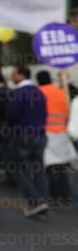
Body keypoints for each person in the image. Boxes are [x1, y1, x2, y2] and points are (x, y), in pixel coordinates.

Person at [7, 66, 48, 217]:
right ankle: (41, 203)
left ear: (20, 75)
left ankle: (36, 201)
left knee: (17, 168)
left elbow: (11, 114)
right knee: (38, 169)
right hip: (41, 134)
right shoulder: (39, 92)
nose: (11, 77)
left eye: (13, 74)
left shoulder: (18, 93)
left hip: (23, 134)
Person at [36, 70, 78, 205]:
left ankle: (56, 196)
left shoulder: (37, 93)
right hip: (63, 133)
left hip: (47, 133)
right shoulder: (61, 92)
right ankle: (65, 195)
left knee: (51, 167)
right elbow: (68, 111)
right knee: (61, 166)